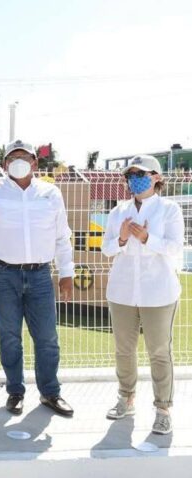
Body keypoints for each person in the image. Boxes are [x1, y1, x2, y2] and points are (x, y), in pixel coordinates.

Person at [0, 139, 75, 417]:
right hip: (1, 274)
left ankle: (50, 392)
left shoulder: (51, 193)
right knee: (9, 336)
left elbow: (62, 236)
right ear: (4, 165)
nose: (19, 161)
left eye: (25, 157)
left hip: (40, 275)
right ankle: (15, 391)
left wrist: (67, 272)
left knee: (47, 337)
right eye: (13, 157)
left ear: (35, 163)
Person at [101, 155, 183, 434]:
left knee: (159, 352)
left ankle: (163, 408)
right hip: (122, 291)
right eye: (131, 174)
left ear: (156, 177)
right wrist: (122, 238)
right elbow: (106, 249)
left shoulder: (169, 209)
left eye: (141, 173)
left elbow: (174, 248)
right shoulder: (118, 211)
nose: (134, 179)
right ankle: (126, 398)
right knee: (124, 350)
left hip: (158, 292)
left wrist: (148, 239)